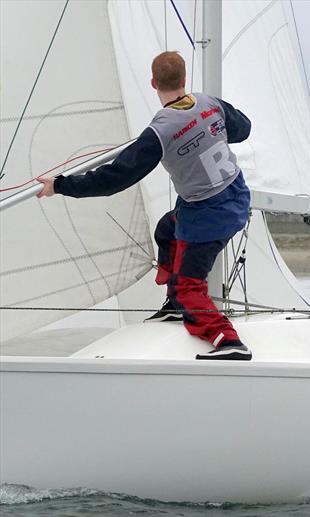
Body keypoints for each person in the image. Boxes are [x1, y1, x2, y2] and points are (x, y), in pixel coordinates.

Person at [36, 51, 253, 360]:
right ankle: (175, 304)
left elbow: (114, 178)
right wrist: (207, 129)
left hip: (209, 216)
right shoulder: (210, 103)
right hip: (236, 196)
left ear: (153, 83)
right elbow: (243, 128)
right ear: (184, 79)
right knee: (167, 230)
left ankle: (227, 340)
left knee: (192, 287)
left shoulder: (159, 131)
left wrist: (59, 185)